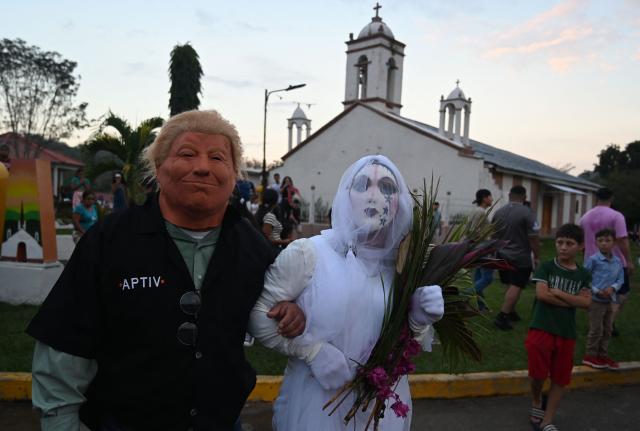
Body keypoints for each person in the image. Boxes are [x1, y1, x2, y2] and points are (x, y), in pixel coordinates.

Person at [26, 110, 306, 431]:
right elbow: (64, 342)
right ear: (159, 168)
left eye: (217, 157)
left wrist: (291, 309)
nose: (202, 167)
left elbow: (276, 307)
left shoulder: (252, 247)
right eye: (187, 154)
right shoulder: (111, 241)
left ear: (233, 174)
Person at [248, 155, 445, 430]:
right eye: (363, 185)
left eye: (387, 188)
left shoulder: (403, 269)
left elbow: (404, 345)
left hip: (381, 410)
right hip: (317, 407)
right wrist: (311, 351)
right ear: (345, 196)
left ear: (400, 203)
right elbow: (259, 316)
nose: (374, 196)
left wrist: (418, 319)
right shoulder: (310, 254)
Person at [526, 223, 591, 431]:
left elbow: (587, 303)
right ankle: (537, 399)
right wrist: (573, 300)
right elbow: (542, 295)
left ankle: (548, 419)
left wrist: (560, 293)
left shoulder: (584, 274)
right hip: (541, 327)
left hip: (566, 332)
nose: (563, 247)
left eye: (569, 243)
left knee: (560, 377)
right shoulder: (547, 266)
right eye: (560, 242)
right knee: (537, 373)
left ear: (581, 247)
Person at [579, 187, 634, 336]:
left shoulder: (585, 217)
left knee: (596, 295)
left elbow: (583, 241)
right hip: (613, 261)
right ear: (612, 198)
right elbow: (622, 239)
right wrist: (628, 260)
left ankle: (596, 325)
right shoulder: (616, 216)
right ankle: (607, 325)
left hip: (591, 260)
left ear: (596, 198)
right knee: (620, 294)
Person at [492, 185, 541, 330]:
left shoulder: (499, 212)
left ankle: (511, 311)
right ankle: (503, 315)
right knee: (517, 285)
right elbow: (533, 237)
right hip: (520, 256)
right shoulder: (527, 213)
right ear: (524, 197)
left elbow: (493, 235)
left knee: (510, 283)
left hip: (502, 254)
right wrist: (537, 256)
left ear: (509, 196)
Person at [582, 228, 624, 370]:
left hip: (609, 301)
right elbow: (584, 278)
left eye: (607, 240)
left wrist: (613, 288)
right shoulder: (593, 260)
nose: (604, 244)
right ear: (596, 243)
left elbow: (620, 279)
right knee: (596, 329)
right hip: (595, 301)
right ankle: (590, 355)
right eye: (600, 241)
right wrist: (596, 290)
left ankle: (602, 355)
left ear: (614, 243)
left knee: (608, 329)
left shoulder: (617, 262)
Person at [470, 189, 494, 311]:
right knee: (488, 278)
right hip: (482, 248)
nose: (492, 199)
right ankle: (466, 296)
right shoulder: (481, 212)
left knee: (479, 277)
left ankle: (481, 306)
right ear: (485, 198)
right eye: (490, 196)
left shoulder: (476, 211)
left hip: (477, 248)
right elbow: (475, 231)